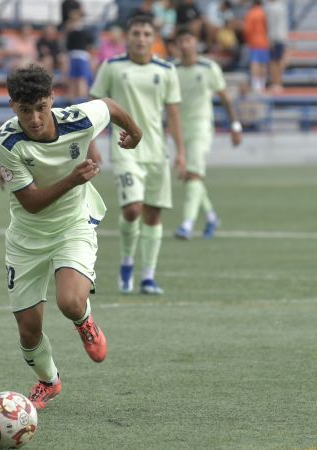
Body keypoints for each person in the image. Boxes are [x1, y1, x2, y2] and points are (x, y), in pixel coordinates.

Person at [0, 64, 142, 409]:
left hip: (73, 224)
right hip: (27, 238)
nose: (34, 118)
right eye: (25, 110)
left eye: (41, 108)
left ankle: (84, 322)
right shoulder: (6, 143)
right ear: (13, 106)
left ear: (51, 100)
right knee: (28, 330)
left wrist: (136, 134)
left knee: (70, 302)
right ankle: (49, 381)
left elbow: (110, 106)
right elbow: (30, 204)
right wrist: (73, 179)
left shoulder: (78, 119)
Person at [90, 15, 185, 295]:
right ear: (128, 37)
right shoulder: (112, 67)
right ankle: (127, 263)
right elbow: (95, 105)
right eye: (136, 33)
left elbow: (173, 113)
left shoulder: (166, 70)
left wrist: (181, 153)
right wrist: (92, 143)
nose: (141, 38)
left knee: (154, 215)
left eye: (146, 33)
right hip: (124, 148)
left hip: (157, 151)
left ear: (153, 38)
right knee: (133, 209)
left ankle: (147, 276)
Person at [173, 28, 242, 240]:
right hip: (179, 129)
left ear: (196, 42)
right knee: (190, 176)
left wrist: (235, 126)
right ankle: (211, 216)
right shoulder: (171, 69)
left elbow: (225, 97)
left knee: (193, 174)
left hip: (202, 127)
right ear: (177, 45)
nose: (185, 44)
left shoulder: (208, 67)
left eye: (189, 39)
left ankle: (187, 224)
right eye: (181, 40)